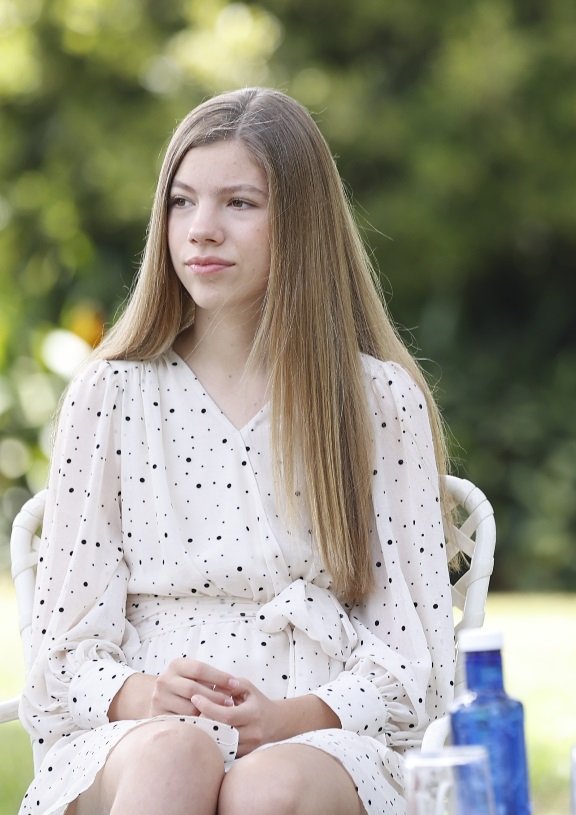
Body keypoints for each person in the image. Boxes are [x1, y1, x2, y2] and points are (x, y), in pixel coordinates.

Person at [19, 88, 456, 815]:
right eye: (182, 202)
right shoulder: (110, 395)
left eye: (240, 204)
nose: (203, 230)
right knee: (179, 753)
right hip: (137, 732)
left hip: (318, 732)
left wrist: (289, 718)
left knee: (269, 783)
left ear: (302, 222)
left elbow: (417, 665)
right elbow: (60, 656)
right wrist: (148, 694)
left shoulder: (376, 400)